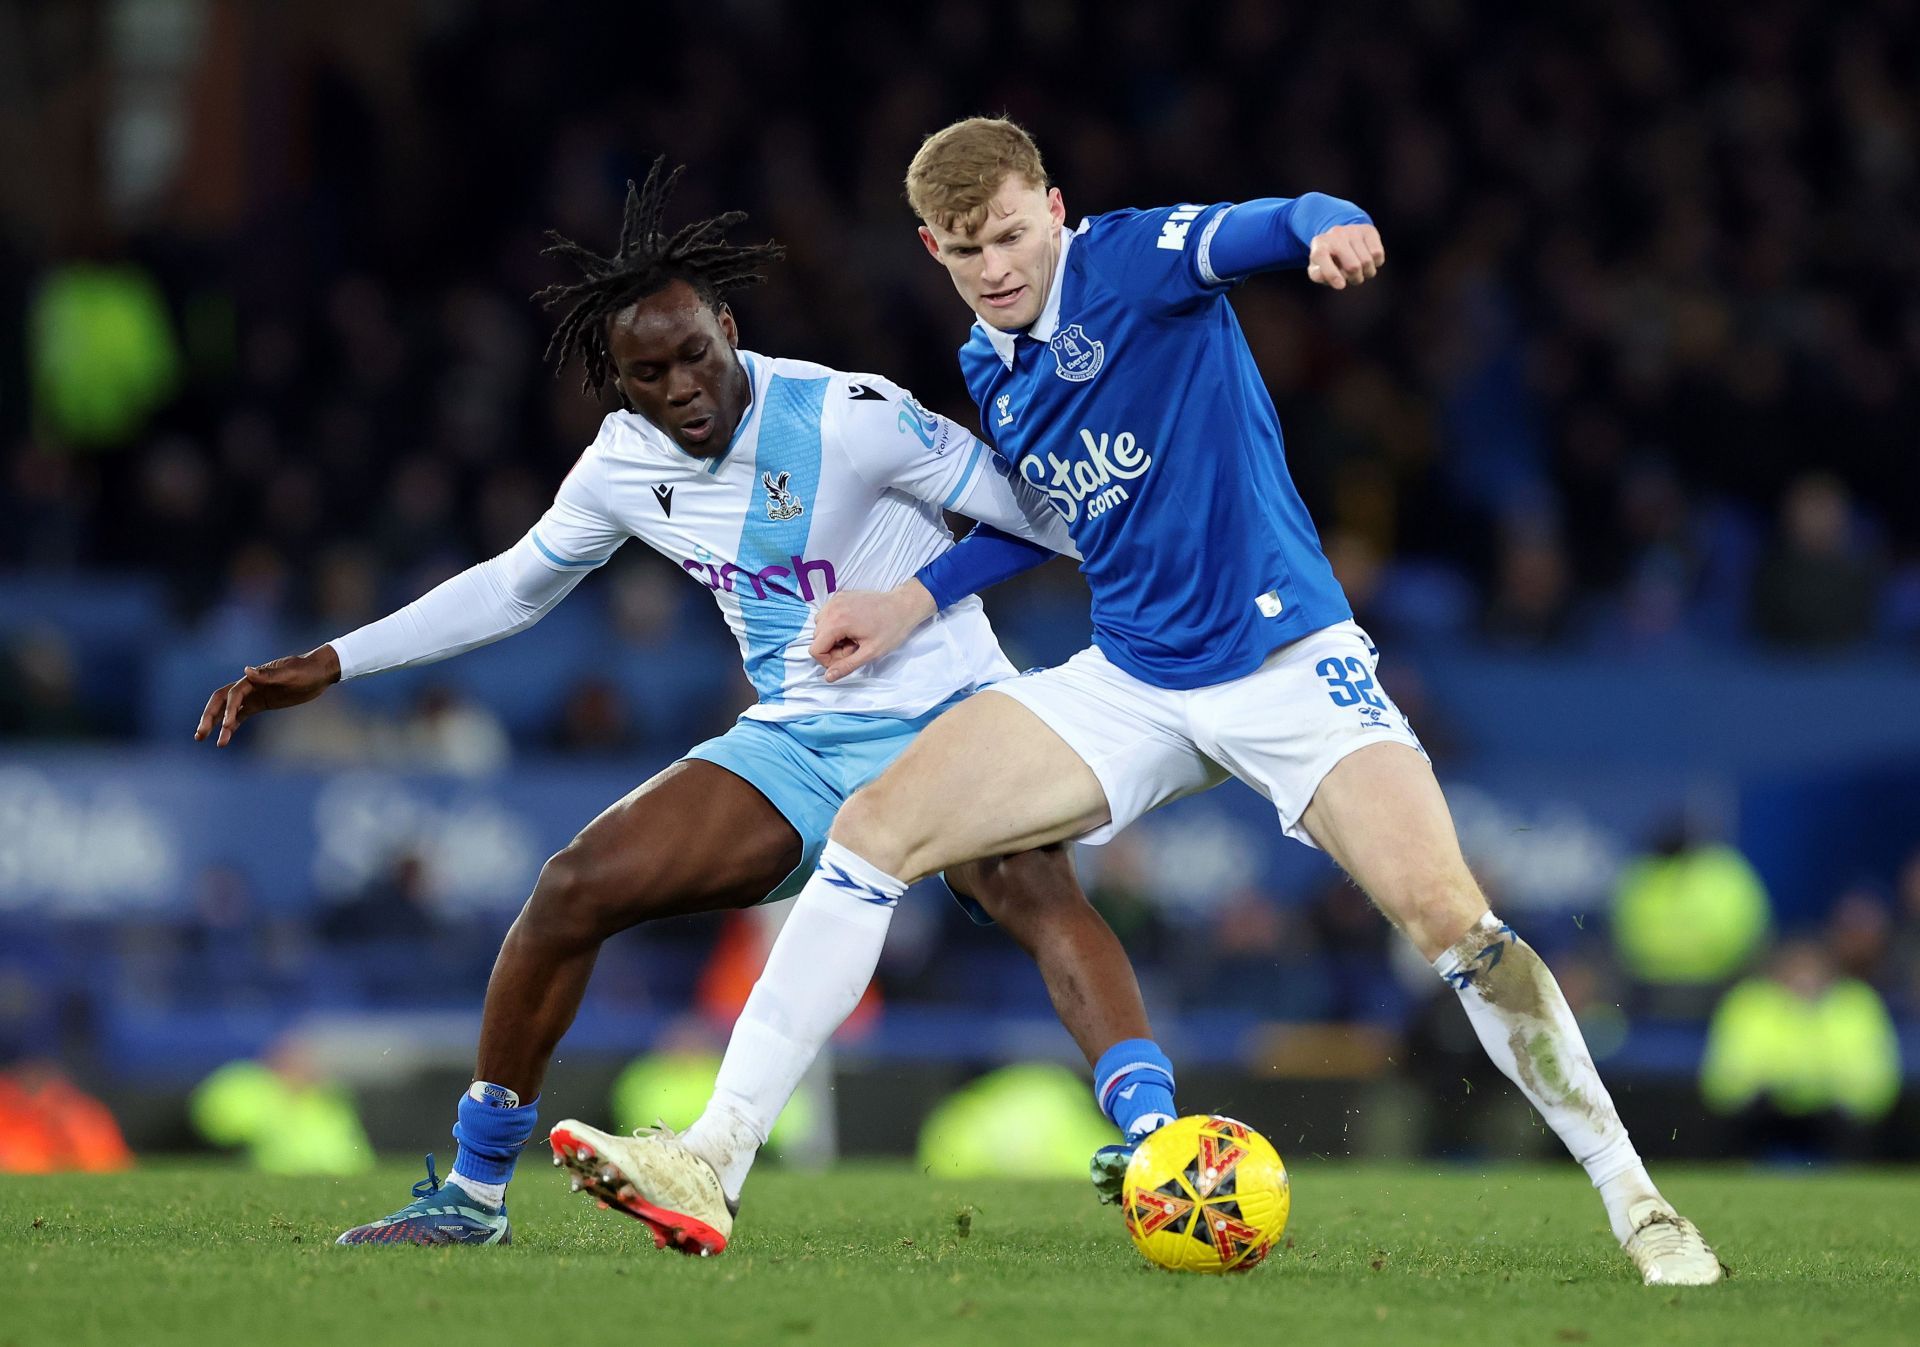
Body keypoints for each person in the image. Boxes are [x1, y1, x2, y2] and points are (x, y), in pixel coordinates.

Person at [610, 120, 1723, 1286]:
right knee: (873, 831)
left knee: (1455, 924)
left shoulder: (1134, 261)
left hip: (1288, 663)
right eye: (964, 249)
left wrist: (1328, 226)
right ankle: (715, 1156)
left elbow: (1272, 220)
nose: (994, 266)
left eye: (1009, 234)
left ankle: (1639, 1205)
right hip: (1134, 678)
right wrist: (909, 602)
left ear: (1054, 205)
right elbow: (1057, 524)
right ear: (929, 247)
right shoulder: (993, 366)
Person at [194, 161, 1181, 1250]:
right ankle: (473, 1196)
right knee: (572, 889)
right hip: (802, 740)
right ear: (618, 383)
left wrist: (912, 599)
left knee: (1030, 886)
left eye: (694, 358)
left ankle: (1158, 1142)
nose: (681, 393)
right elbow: (515, 587)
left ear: (727, 324)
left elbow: (1044, 514)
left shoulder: (848, 414)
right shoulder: (623, 462)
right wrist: (334, 661)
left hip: (954, 715)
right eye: (647, 375)